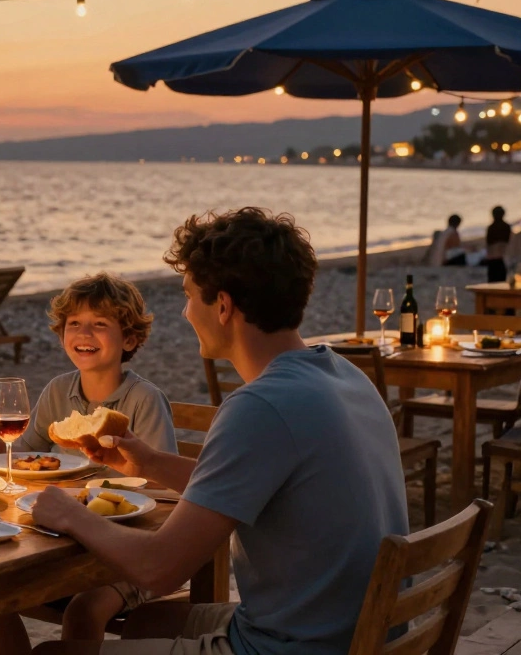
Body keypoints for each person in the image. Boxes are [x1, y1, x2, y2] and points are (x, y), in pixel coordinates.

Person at [29, 207, 409, 655]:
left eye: (190, 296)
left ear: (223, 306)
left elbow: (158, 569)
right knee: (146, 622)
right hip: (357, 630)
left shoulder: (260, 406)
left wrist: (69, 513)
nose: (187, 312)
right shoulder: (343, 375)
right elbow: (254, 486)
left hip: (292, 646)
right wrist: (147, 461)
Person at [0, 273, 177, 655]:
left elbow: (162, 490)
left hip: (131, 551)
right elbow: (27, 457)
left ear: (129, 339)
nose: (84, 332)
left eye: (100, 324)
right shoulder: (57, 391)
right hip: (64, 542)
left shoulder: (143, 400)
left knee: (84, 610)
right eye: (74, 324)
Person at [485, 206, 512, 283]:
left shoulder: (491, 227)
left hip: (494, 257)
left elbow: (488, 243)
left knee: (492, 281)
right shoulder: (506, 227)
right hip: (503, 256)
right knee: (501, 281)